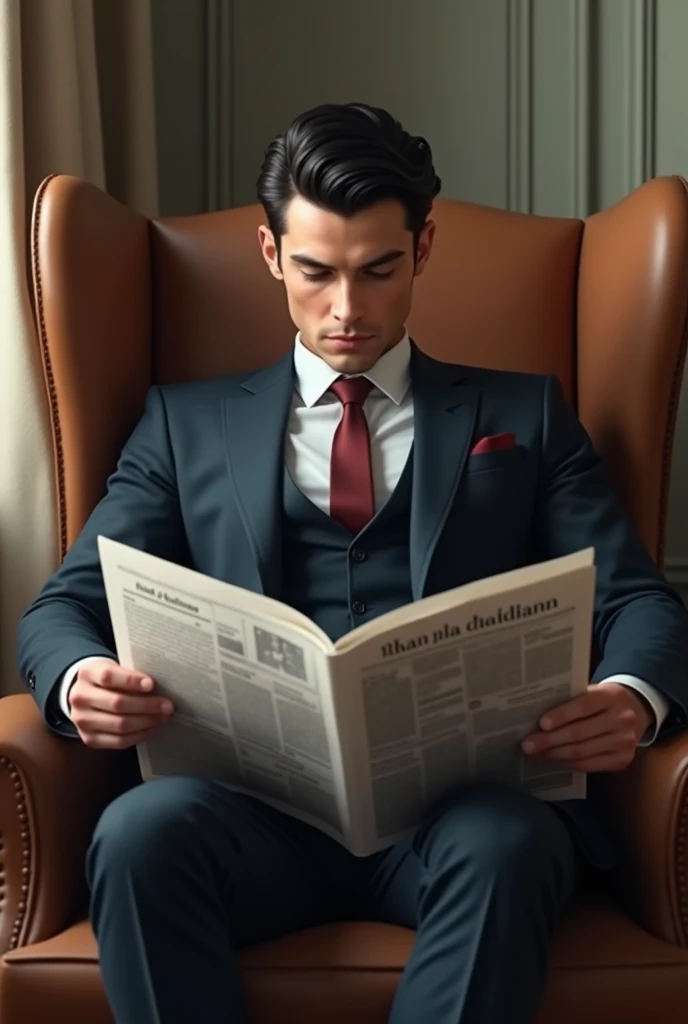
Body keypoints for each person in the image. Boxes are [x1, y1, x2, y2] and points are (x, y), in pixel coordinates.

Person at [17, 102, 688, 1024]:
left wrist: (631, 698)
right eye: (315, 272)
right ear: (268, 254)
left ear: (424, 248)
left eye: (378, 270)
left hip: (460, 821)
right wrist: (80, 677)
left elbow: (640, 602)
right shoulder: (183, 426)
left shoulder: (525, 417)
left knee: (510, 845)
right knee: (138, 832)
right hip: (250, 821)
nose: (347, 309)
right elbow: (61, 608)